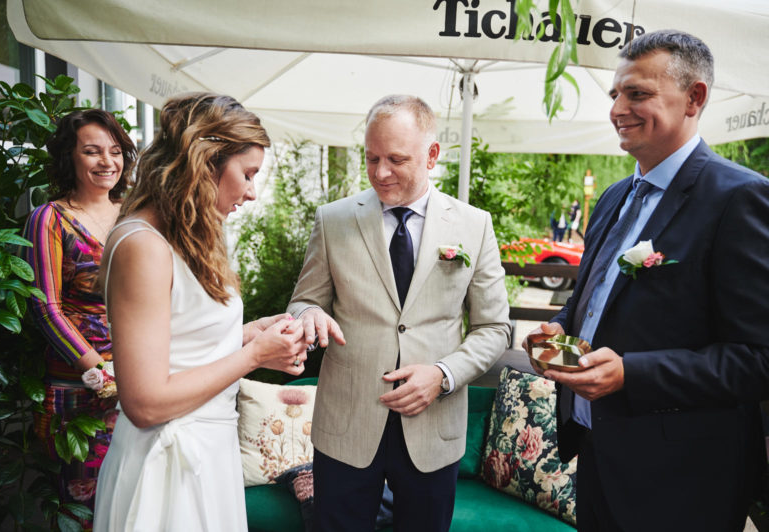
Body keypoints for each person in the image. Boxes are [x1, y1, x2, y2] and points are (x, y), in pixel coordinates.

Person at [525, 30, 769, 532]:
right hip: (596, 453)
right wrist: (560, 327)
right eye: (616, 94)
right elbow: (592, 299)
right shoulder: (614, 196)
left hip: (684, 480)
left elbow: (757, 358)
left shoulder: (740, 198)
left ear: (694, 98)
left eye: (637, 94)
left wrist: (631, 374)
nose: (617, 109)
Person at [288, 94, 511, 531]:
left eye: (396, 159)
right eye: (371, 158)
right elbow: (304, 299)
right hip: (347, 424)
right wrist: (306, 315)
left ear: (432, 155)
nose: (380, 172)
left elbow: (494, 327)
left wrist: (443, 375)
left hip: (433, 426)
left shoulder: (474, 225)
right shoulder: (333, 220)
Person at [92, 93, 309, 531]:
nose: (251, 192)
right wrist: (254, 356)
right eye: (247, 174)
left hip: (210, 453)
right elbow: (145, 403)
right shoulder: (142, 246)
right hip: (168, 468)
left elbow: (181, 342)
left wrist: (248, 334)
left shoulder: (190, 236)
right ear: (205, 163)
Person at [24, 108, 137, 526]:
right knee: (86, 511)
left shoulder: (135, 213)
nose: (107, 161)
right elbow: (45, 307)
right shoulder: (49, 218)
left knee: (135, 506)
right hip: (78, 390)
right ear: (69, 157)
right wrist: (100, 372)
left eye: (115, 151)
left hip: (140, 380)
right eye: (92, 151)